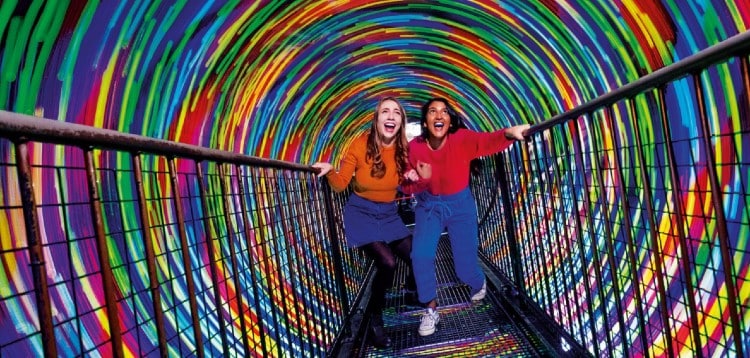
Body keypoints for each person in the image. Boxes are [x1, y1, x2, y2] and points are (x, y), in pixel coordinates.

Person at [404, 97, 529, 337]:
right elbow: (407, 188)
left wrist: (511, 133)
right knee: (420, 255)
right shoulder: (415, 147)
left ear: (450, 120)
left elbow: (489, 141)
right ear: (425, 120)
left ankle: (478, 280)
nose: (438, 115)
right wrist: (417, 180)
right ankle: (430, 310)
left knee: (465, 269)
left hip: (460, 207)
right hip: (429, 207)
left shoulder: (462, 139)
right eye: (432, 111)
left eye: (444, 112)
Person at [312, 96, 418, 348]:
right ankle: (375, 320)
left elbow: (399, 182)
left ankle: (411, 292)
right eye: (385, 112)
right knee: (387, 263)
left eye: (396, 113)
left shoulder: (404, 149)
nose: (390, 116)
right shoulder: (359, 145)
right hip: (361, 213)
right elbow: (339, 186)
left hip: (389, 214)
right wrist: (330, 171)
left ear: (401, 121)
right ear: (376, 119)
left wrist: (411, 177)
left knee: (418, 254)